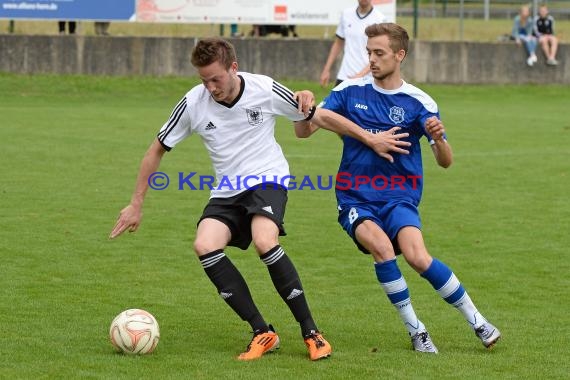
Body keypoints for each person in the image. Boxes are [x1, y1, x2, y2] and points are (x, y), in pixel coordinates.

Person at [109, 37, 410, 361]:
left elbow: (310, 122)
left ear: (233, 68)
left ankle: (311, 332)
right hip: (227, 188)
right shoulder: (193, 103)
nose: (210, 87)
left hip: (268, 178)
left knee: (263, 240)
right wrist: (136, 202)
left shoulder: (263, 89)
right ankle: (262, 331)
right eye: (204, 80)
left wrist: (326, 116)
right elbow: (157, 149)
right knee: (205, 244)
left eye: (216, 79)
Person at [295, 23, 501, 353]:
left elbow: (445, 161)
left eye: (379, 53)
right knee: (382, 248)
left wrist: (436, 137)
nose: (372, 60)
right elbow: (304, 131)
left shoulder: (419, 101)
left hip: (399, 195)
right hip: (355, 195)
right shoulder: (350, 90)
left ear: (399, 55)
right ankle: (417, 331)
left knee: (418, 257)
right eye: (369, 53)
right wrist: (302, 108)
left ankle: (478, 321)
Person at [320, 0, 386, 87]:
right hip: (344, 76)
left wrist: (360, 75)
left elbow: (379, 54)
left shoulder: (380, 19)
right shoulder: (346, 14)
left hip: (367, 79)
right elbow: (338, 43)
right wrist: (326, 69)